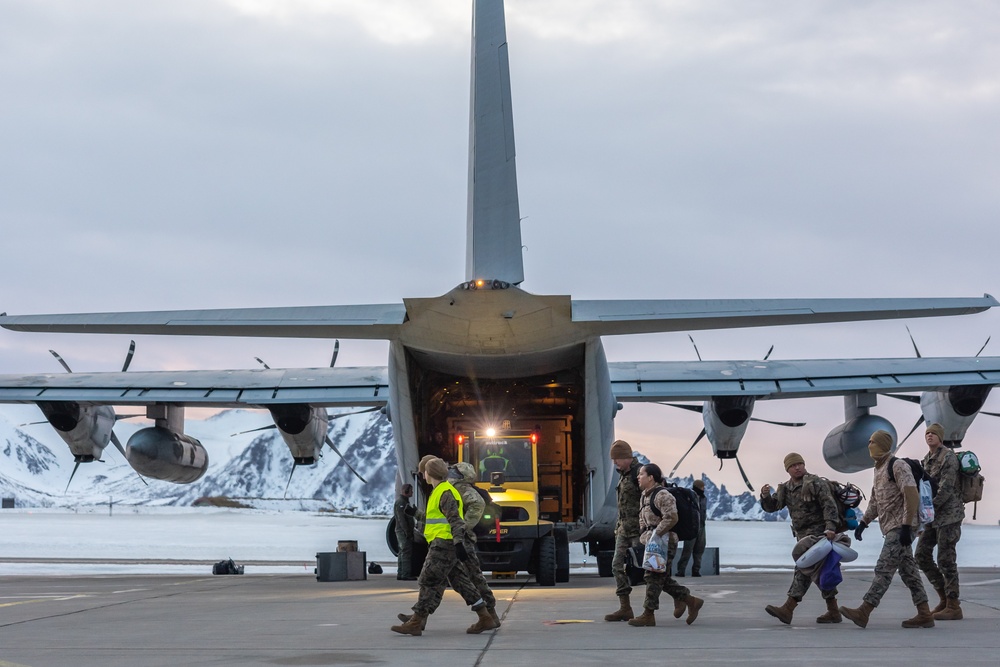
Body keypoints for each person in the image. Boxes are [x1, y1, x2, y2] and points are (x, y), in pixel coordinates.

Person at [839, 430, 935, 629]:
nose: (869, 445)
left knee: (884, 568)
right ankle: (925, 614)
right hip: (891, 526)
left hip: (900, 527)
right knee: (909, 572)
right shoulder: (878, 469)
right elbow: (876, 501)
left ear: (882, 444)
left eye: (872, 442)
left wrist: (908, 526)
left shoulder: (897, 465)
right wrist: (864, 523)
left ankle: (864, 611)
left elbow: (911, 495)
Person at [391, 457, 493, 636]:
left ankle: (416, 621)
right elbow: (438, 519)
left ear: (430, 474)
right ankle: (485, 616)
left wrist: (459, 542)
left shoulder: (445, 492)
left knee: (427, 579)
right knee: (461, 583)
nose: (423, 474)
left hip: (444, 543)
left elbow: (455, 520)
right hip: (444, 542)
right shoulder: (440, 491)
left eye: (425, 472)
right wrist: (417, 514)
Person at [759, 452, 842, 624]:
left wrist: (830, 527)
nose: (797, 467)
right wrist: (765, 496)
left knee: (804, 567)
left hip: (819, 534)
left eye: (800, 464)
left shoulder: (815, 482)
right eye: (793, 465)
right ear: (787, 469)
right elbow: (773, 507)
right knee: (820, 571)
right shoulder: (786, 488)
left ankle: (788, 608)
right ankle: (833, 611)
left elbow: (829, 505)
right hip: (802, 535)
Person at [628, 463, 705, 627]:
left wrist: (657, 534)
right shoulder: (644, 496)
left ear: (651, 477)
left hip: (665, 542)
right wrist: (645, 535)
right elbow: (643, 520)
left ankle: (648, 614)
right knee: (659, 577)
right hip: (652, 542)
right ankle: (688, 599)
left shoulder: (662, 495)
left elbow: (671, 517)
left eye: (641, 474)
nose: (638, 477)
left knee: (653, 577)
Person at [915, 423, 965, 621]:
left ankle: (954, 605)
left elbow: (945, 489)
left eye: (933, 433)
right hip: (932, 516)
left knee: (946, 559)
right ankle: (944, 598)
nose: (929, 436)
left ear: (940, 437)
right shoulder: (926, 459)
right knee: (921, 555)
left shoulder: (949, 457)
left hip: (949, 516)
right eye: (927, 433)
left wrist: (928, 509)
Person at [449, 462, 501, 630]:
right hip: (455, 538)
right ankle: (419, 615)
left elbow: (477, 505)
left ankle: (489, 613)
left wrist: (464, 526)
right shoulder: (454, 488)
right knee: (437, 577)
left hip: (462, 539)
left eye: (454, 472)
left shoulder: (464, 490)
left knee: (473, 576)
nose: (450, 473)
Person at [603, 439, 643, 622]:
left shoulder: (641, 473)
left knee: (646, 571)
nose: (614, 463)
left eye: (617, 459)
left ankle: (683, 597)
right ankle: (625, 608)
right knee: (616, 566)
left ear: (626, 457)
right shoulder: (624, 475)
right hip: (624, 531)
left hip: (639, 532)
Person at [675, 479, 707, 577]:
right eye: (702, 487)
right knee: (687, 550)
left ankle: (696, 570)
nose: (703, 489)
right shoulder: (690, 496)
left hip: (701, 526)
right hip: (692, 526)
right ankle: (681, 570)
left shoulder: (704, 498)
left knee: (700, 549)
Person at [393, 483, 416, 580]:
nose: (412, 492)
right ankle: (405, 574)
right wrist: (407, 532)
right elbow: (402, 519)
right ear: (406, 491)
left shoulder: (403, 502)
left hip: (401, 531)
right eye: (411, 490)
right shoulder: (401, 503)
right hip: (403, 532)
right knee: (406, 552)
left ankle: (401, 573)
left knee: (402, 552)